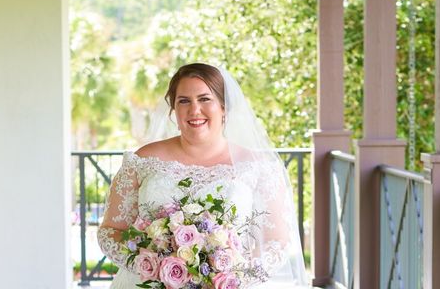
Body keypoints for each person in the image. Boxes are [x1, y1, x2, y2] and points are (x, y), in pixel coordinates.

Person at [97, 63, 308, 288]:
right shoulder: (142, 160)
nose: (194, 110)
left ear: (224, 107)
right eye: (184, 101)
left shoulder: (258, 166)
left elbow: (277, 242)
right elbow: (110, 232)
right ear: (173, 109)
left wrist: (230, 275)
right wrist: (154, 266)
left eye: (205, 99)